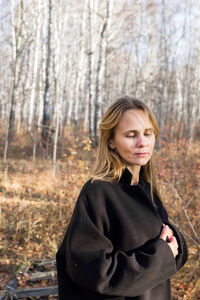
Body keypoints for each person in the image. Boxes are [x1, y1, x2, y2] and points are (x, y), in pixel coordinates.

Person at [56, 96, 188, 300]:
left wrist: (174, 243)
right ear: (111, 141)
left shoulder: (146, 188)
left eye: (147, 133)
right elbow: (93, 271)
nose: (142, 143)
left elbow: (167, 248)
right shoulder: (98, 192)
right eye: (131, 135)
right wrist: (160, 256)